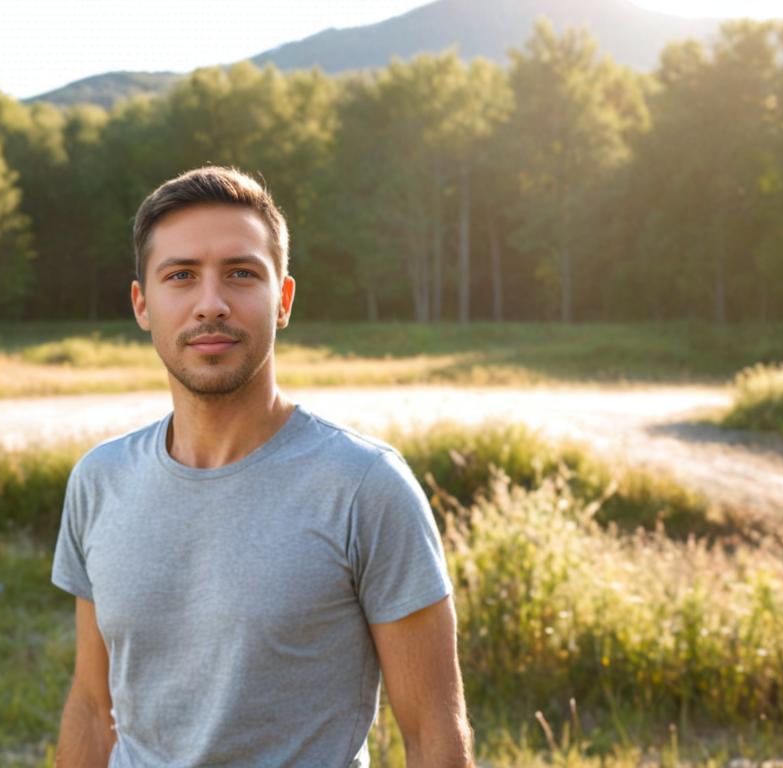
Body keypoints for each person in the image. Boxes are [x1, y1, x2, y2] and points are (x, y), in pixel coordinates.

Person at [51, 166, 474, 767]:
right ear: (142, 304)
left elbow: (435, 735)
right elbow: (94, 710)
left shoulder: (363, 486)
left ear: (283, 300)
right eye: (181, 276)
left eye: (241, 274)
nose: (211, 304)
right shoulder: (99, 480)